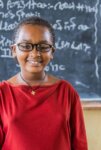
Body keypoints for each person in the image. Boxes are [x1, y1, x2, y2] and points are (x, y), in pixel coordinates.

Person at [0, 16, 88, 150]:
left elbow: (79, 144)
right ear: (13, 50)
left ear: (52, 51)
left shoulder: (66, 92)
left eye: (43, 46)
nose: (35, 53)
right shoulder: (3, 94)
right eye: (25, 46)